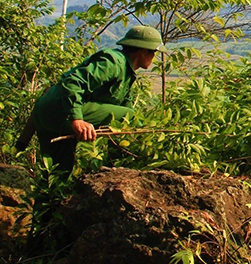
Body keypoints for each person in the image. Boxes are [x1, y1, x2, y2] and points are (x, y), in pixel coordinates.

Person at [29, 25, 166, 174]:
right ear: (142, 51)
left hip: (49, 113)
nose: (153, 57)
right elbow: (73, 83)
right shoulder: (113, 62)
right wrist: (77, 119)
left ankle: (46, 196)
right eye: (153, 52)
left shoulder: (127, 72)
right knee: (129, 118)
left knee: (57, 173)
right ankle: (119, 170)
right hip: (60, 111)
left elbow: (122, 106)